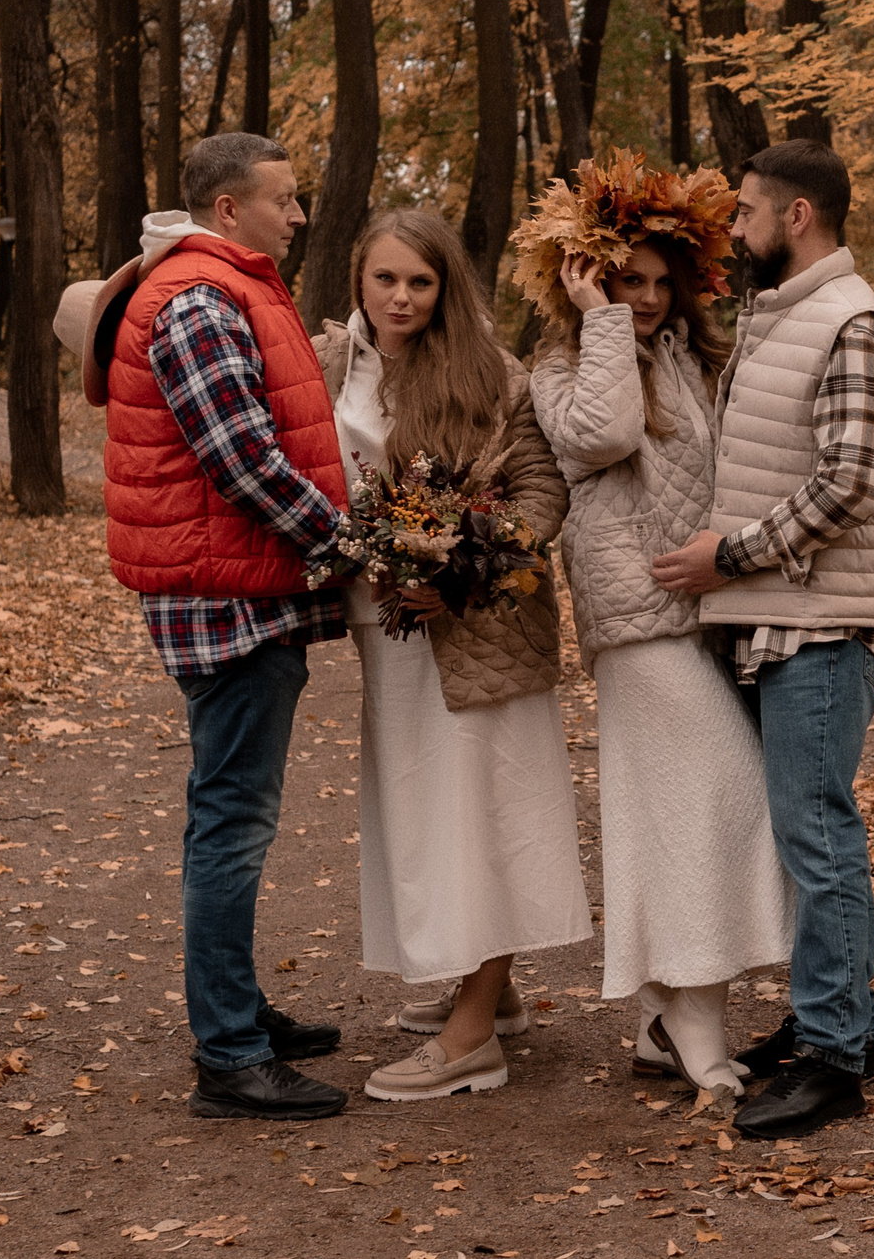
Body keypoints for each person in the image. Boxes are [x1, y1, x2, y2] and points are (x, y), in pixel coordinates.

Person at [72, 132, 352, 1122]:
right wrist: (347, 539)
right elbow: (243, 459)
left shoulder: (225, 283)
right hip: (225, 600)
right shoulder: (199, 296)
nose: (300, 212)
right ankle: (229, 1052)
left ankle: (237, 1010)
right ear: (228, 208)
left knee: (229, 811)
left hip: (236, 590)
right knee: (231, 821)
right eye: (286, 197)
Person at [517, 155, 794, 1100]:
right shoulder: (561, 365)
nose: (643, 298)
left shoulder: (689, 354)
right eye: (624, 280)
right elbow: (600, 437)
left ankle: (661, 1029)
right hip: (635, 622)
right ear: (585, 277)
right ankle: (691, 1026)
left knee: (682, 815)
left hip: (702, 614)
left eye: (657, 282)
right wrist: (597, 318)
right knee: (719, 795)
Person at [650, 139, 874, 1141]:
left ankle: (837, 1058)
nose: (736, 230)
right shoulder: (781, 318)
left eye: (748, 212)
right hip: (777, 618)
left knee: (818, 835)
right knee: (802, 838)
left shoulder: (853, 322)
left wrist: (733, 555)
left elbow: (850, 479)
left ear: (797, 215)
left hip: (823, 625)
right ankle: (833, 1021)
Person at [311, 208, 588, 1102]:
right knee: (429, 813)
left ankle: (473, 1037)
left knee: (488, 809)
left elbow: (543, 491)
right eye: (385, 278)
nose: (401, 297)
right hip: (383, 629)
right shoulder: (330, 363)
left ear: (446, 287)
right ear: (358, 277)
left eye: (420, 282)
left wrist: (466, 571)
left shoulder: (488, 373)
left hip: (477, 629)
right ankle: (490, 992)